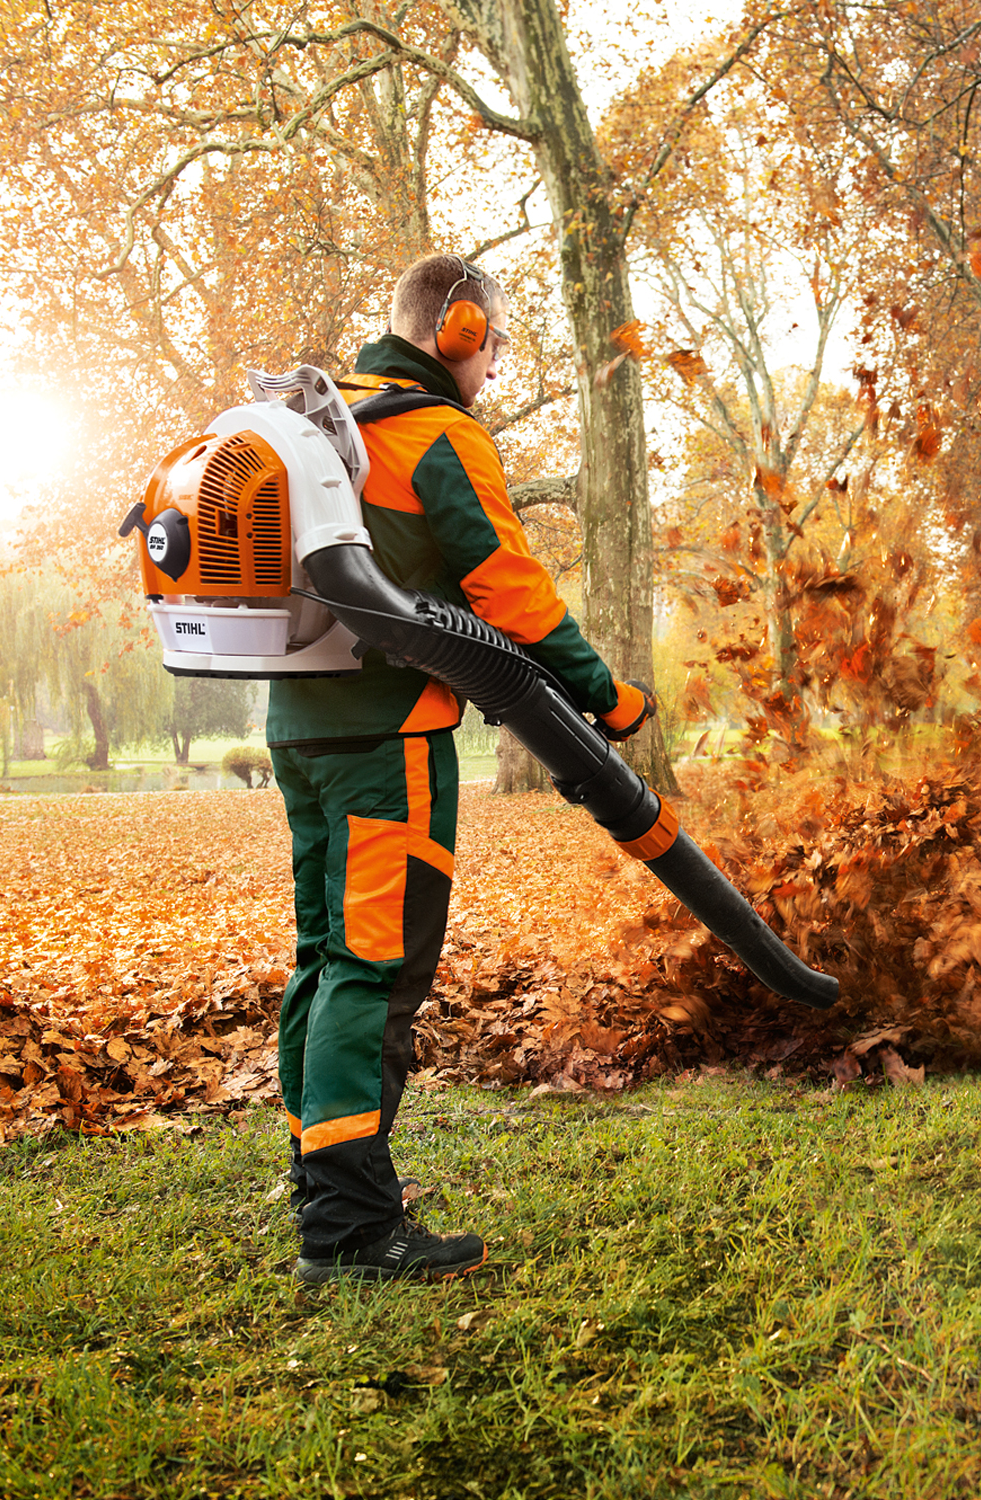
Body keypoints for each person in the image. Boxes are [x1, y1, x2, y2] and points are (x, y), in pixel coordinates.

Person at [267, 253, 654, 1285]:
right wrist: (608, 697)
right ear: (464, 330)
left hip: (299, 727)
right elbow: (509, 589)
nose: (495, 368)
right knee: (376, 968)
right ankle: (348, 1229)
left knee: (323, 957)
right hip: (389, 736)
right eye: (496, 346)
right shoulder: (436, 433)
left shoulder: (320, 416)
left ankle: (324, 1178)